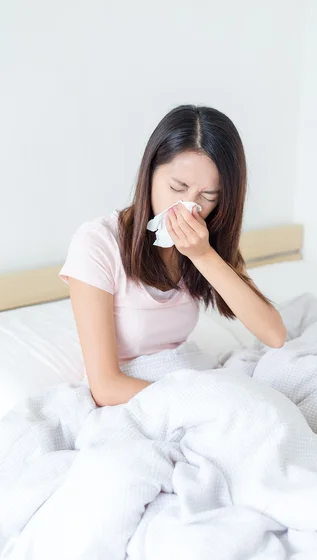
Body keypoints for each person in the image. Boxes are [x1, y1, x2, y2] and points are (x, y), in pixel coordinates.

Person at [59, 105, 286, 407]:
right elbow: (105, 387)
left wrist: (203, 256)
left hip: (185, 375)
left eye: (208, 197)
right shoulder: (98, 242)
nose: (188, 206)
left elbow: (274, 335)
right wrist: (198, 401)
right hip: (135, 397)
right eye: (178, 187)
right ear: (149, 173)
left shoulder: (207, 241)